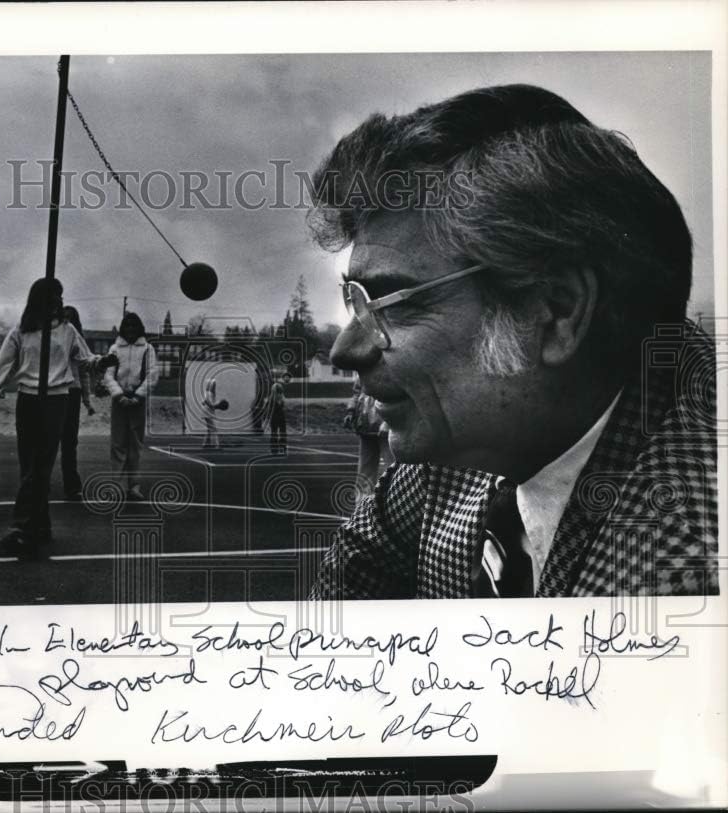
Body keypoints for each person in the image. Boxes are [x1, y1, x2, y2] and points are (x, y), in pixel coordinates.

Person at [307, 83, 717, 599]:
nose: (345, 350)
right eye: (356, 301)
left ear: (556, 313)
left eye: (394, 303)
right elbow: (350, 586)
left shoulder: (690, 571)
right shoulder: (468, 441)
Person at [0, 279, 112, 555]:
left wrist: (103, 361)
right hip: (28, 399)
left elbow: (85, 359)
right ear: (41, 298)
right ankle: (41, 525)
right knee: (29, 464)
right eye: (55, 295)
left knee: (40, 465)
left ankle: (23, 526)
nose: (60, 301)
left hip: (56, 399)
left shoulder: (67, 331)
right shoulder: (22, 330)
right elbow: (2, 366)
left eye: (61, 296)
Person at [104, 312, 158, 501]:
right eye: (127, 326)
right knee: (118, 444)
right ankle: (117, 486)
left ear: (140, 328)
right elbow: (108, 375)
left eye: (134, 326)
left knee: (135, 445)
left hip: (137, 401)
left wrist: (137, 396)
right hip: (119, 400)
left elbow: (152, 375)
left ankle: (133, 486)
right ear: (122, 328)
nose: (130, 329)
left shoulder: (148, 349)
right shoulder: (115, 348)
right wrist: (118, 394)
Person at [59, 305, 96, 500]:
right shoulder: (55, 339)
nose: (67, 321)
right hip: (54, 391)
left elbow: (84, 374)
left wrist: (87, 401)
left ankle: (71, 485)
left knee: (69, 441)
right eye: (63, 317)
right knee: (48, 440)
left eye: (70, 318)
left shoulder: (78, 343)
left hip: (72, 392)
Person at [344, 373, 394, 498]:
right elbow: (356, 393)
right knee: (365, 468)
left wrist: (389, 421)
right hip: (365, 424)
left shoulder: (390, 367)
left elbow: (396, 395)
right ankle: (362, 503)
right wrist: (350, 411)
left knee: (392, 466)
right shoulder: (362, 370)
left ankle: (394, 499)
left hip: (384, 423)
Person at [268, 374, 287, 454]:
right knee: (280, 432)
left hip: (275, 416)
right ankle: (281, 446)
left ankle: (275, 448)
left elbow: (269, 410)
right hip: (279, 416)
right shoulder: (280, 398)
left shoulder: (272, 399)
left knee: (275, 432)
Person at [201, 377, 220, 449]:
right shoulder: (208, 393)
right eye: (213, 384)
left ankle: (205, 444)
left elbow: (203, 402)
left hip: (207, 412)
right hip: (207, 412)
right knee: (214, 429)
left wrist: (215, 405)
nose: (214, 386)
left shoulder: (209, 393)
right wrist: (216, 406)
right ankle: (216, 445)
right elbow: (207, 402)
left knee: (209, 429)